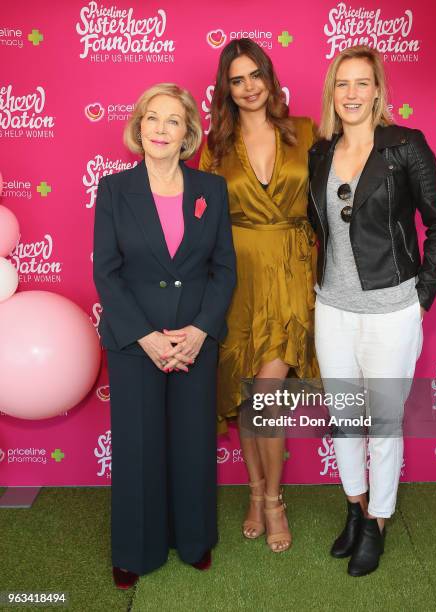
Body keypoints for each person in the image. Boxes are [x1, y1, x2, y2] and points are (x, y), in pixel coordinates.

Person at [309, 45, 436, 576]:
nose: (351, 94)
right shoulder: (320, 152)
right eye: (342, 84)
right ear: (333, 92)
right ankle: (355, 509)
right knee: (346, 421)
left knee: (384, 423)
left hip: (392, 308)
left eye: (361, 83)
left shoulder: (405, 147)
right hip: (333, 309)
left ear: (378, 90)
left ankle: (380, 522)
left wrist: (420, 299)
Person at [93, 83, 236, 587]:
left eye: (172, 120)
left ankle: (194, 539)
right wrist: (146, 337)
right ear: (139, 127)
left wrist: (200, 332)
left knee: (193, 443)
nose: (160, 129)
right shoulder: (113, 190)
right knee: (138, 446)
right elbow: (106, 273)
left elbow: (224, 270)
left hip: (196, 341)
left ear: (187, 133)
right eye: (152, 118)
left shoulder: (211, 190)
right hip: (136, 344)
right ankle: (135, 549)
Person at [200, 38, 319, 553]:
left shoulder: (308, 132)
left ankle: (273, 502)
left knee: (265, 398)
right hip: (236, 277)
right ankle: (254, 492)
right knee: (249, 397)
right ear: (226, 89)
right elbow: (199, 222)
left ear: (270, 79)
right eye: (237, 79)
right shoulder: (214, 147)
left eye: (255, 76)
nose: (248, 87)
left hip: (292, 270)